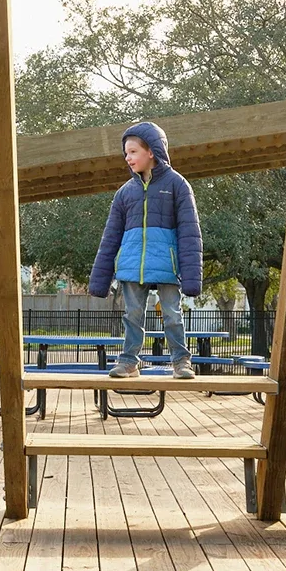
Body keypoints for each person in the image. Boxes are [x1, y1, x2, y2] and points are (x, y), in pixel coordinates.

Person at [87, 120, 203, 379]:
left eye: (133, 152)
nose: (127, 158)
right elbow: (110, 238)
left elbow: (190, 233)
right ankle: (129, 362)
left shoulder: (177, 185)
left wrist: (192, 278)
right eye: (126, 153)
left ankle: (181, 361)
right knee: (133, 315)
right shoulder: (124, 193)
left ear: (151, 151)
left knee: (172, 314)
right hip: (131, 264)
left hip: (167, 264)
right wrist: (100, 280)